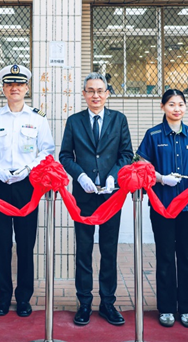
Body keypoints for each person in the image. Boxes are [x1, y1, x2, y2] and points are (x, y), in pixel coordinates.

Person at [0, 64, 55, 317]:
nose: (15, 88)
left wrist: (29, 169)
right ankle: (2, 297)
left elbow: (47, 150)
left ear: (27, 88)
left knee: (25, 244)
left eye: (19, 84)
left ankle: (23, 298)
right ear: (3, 88)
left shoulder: (38, 119)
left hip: (27, 186)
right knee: (0, 244)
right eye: (10, 84)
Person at [59, 72, 133, 327]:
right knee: (83, 250)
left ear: (108, 94)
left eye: (100, 90)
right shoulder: (74, 121)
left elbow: (126, 154)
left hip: (111, 196)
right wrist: (79, 177)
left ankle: (108, 303)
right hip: (84, 196)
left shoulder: (118, 120)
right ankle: (84, 303)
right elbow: (65, 155)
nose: (96, 95)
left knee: (109, 250)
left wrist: (113, 177)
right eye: (90, 90)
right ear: (84, 94)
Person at [136, 89, 188, 328]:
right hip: (162, 203)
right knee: (165, 255)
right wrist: (161, 178)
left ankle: (186, 308)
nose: (177, 109)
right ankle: (166, 308)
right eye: (172, 104)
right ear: (163, 106)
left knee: (186, 255)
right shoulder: (153, 134)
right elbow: (143, 167)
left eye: (181, 105)